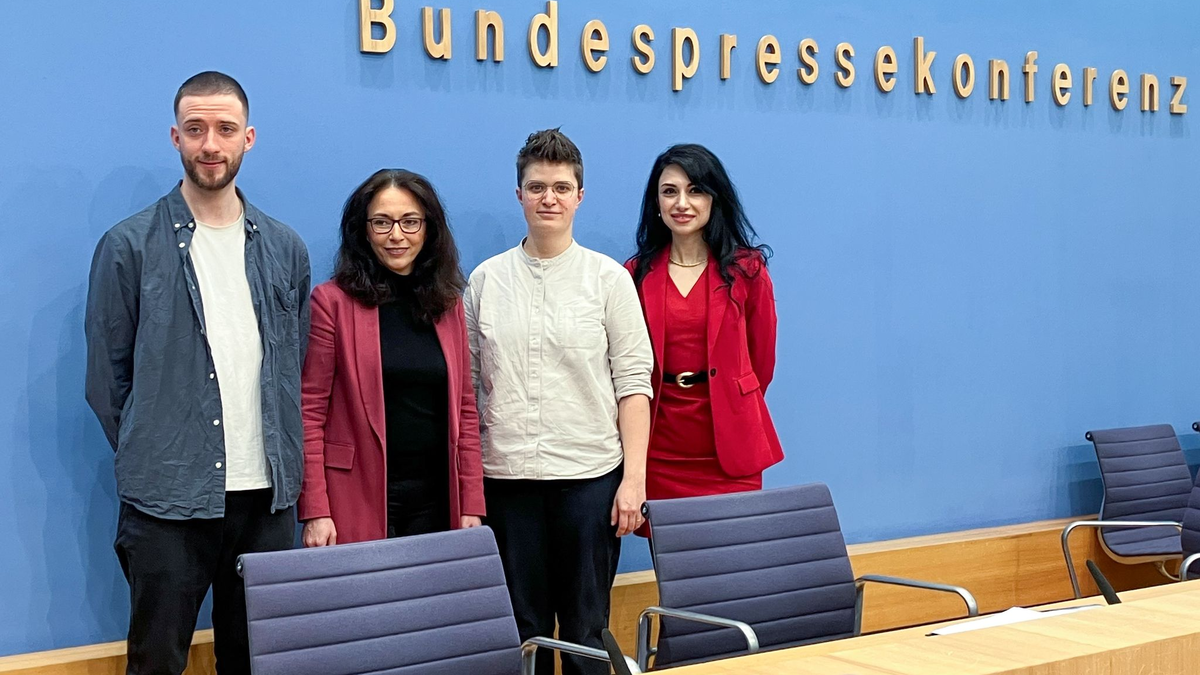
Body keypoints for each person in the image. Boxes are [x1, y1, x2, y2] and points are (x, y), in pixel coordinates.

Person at [84, 71, 310, 675]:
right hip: (165, 503)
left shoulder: (285, 249)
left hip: (267, 502)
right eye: (196, 129)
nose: (211, 143)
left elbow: (293, 369)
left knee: (257, 662)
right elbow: (107, 384)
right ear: (176, 138)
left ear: (249, 138)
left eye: (225, 129)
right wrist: (159, 447)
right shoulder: (128, 246)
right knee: (157, 663)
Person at [465, 128, 653, 675]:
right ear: (519, 194)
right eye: (536, 186)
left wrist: (633, 481)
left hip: (589, 479)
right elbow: (470, 390)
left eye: (561, 187)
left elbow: (634, 384)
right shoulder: (485, 281)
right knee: (518, 627)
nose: (549, 197)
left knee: (586, 629)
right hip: (508, 482)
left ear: (579, 197)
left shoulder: (609, 280)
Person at [298, 169, 484, 545]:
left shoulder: (447, 305)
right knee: (364, 603)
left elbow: (465, 408)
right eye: (382, 222)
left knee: (432, 603)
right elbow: (310, 411)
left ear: (429, 229)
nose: (396, 235)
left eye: (410, 222)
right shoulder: (332, 303)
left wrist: (471, 501)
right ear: (363, 230)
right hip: (355, 493)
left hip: (437, 498)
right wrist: (316, 509)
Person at [625, 144, 782, 518]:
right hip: (661, 449)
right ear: (656, 202)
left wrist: (730, 395)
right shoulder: (634, 274)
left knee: (732, 566)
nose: (682, 202)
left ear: (714, 197)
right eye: (669, 191)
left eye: (695, 190)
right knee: (674, 567)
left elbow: (762, 362)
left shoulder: (747, 269)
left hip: (730, 448)